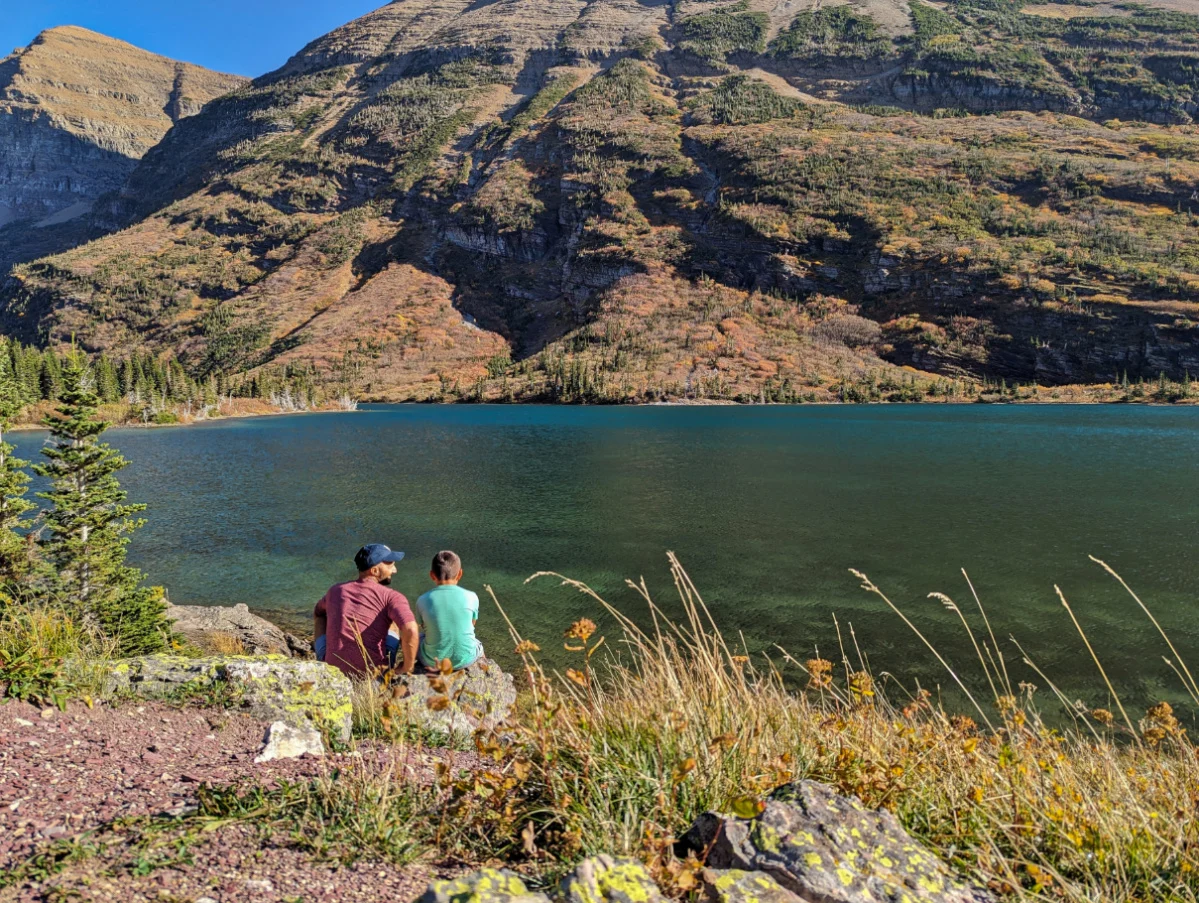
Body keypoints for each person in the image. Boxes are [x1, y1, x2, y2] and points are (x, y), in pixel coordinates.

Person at [314, 543, 419, 676]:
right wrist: (406, 667)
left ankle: (322, 661)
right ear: (374, 571)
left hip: (333, 674)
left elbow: (318, 612)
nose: (395, 570)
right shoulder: (391, 597)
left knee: (321, 617)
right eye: (390, 565)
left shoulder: (335, 590)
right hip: (372, 677)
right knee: (392, 621)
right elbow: (411, 629)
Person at [414, 550, 484, 671]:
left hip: (432, 661)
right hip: (465, 660)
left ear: (432, 575)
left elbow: (424, 626)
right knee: (477, 643)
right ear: (460, 574)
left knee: (416, 638)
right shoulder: (472, 596)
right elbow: (472, 625)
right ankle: (485, 674)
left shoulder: (422, 600)